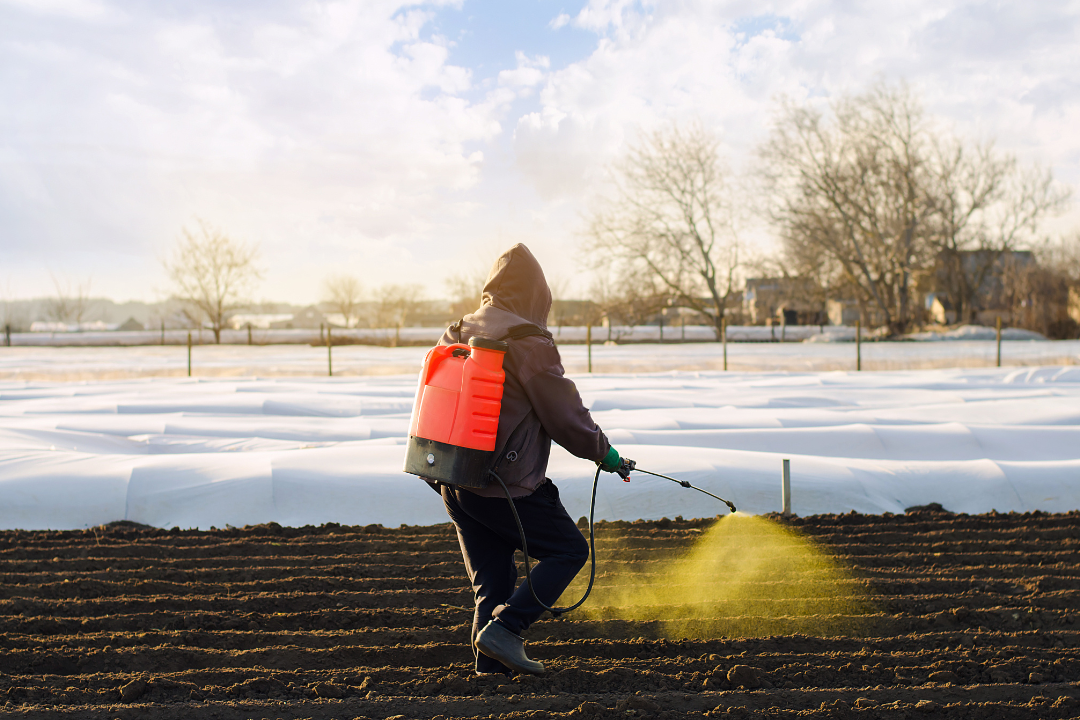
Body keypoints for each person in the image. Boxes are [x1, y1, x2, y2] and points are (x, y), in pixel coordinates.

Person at [426, 243, 631, 676]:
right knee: (568, 551)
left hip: (455, 481)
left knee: (493, 585)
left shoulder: (457, 331)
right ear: (539, 296)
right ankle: (508, 631)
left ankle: (489, 675)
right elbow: (566, 416)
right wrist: (606, 454)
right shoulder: (527, 341)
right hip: (507, 485)